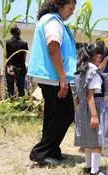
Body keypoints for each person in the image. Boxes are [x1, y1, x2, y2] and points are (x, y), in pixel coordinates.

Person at [27, 0, 77, 164]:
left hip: (48, 76)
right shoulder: (53, 21)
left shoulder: (50, 20)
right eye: (70, 8)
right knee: (66, 113)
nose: (72, 12)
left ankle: (51, 151)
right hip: (53, 77)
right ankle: (40, 151)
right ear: (60, 5)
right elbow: (53, 47)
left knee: (53, 113)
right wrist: (62, 77)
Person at [74, 43, 108, 175]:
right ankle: (95, 172)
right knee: (97, 142)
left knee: (89, 140)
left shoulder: (82, 70)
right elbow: (90, 95)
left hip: (83, 108)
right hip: (94, 108)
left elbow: (77, 94)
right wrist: (94, 116)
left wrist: (77, 111)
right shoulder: (93, 72)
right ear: (99, 57)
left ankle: (88, 167)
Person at [5, 25, 29, 98]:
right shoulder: (24, 43)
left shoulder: (7, 42)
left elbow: (6, 56)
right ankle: (21, 106)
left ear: (11, 32)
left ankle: (10, 105)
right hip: (21, 68)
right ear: (19, 33)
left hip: (10, 68)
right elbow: (24, 57)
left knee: (10, 90)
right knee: (21, 90)